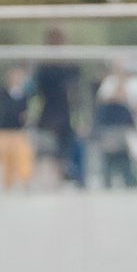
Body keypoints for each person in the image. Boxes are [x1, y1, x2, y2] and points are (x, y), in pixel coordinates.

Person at [29, 29, 85, 187]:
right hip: (49, 114)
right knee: (49, 151)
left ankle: (57, 180)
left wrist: (79, 119)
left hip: (61, 114)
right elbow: (35, 92)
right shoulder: (43, 67)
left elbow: (75, 93)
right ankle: (49, 181)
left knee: (61, 151)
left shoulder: (70, 65)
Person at [91, 64, 137, 186]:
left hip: (123, 135)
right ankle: (107, 183)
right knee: (109, 162)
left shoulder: (125, 107)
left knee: (125, 162)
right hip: (110, 134)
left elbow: (131, 121)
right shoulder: (106, 107)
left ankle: (130, 183)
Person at [0, 68, 35, 190]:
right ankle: (6, 183)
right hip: (2, 129)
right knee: (4, 158)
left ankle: (25, 181)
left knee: (23, 156)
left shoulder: (23, 95)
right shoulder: (0, 93)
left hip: (18, 130)